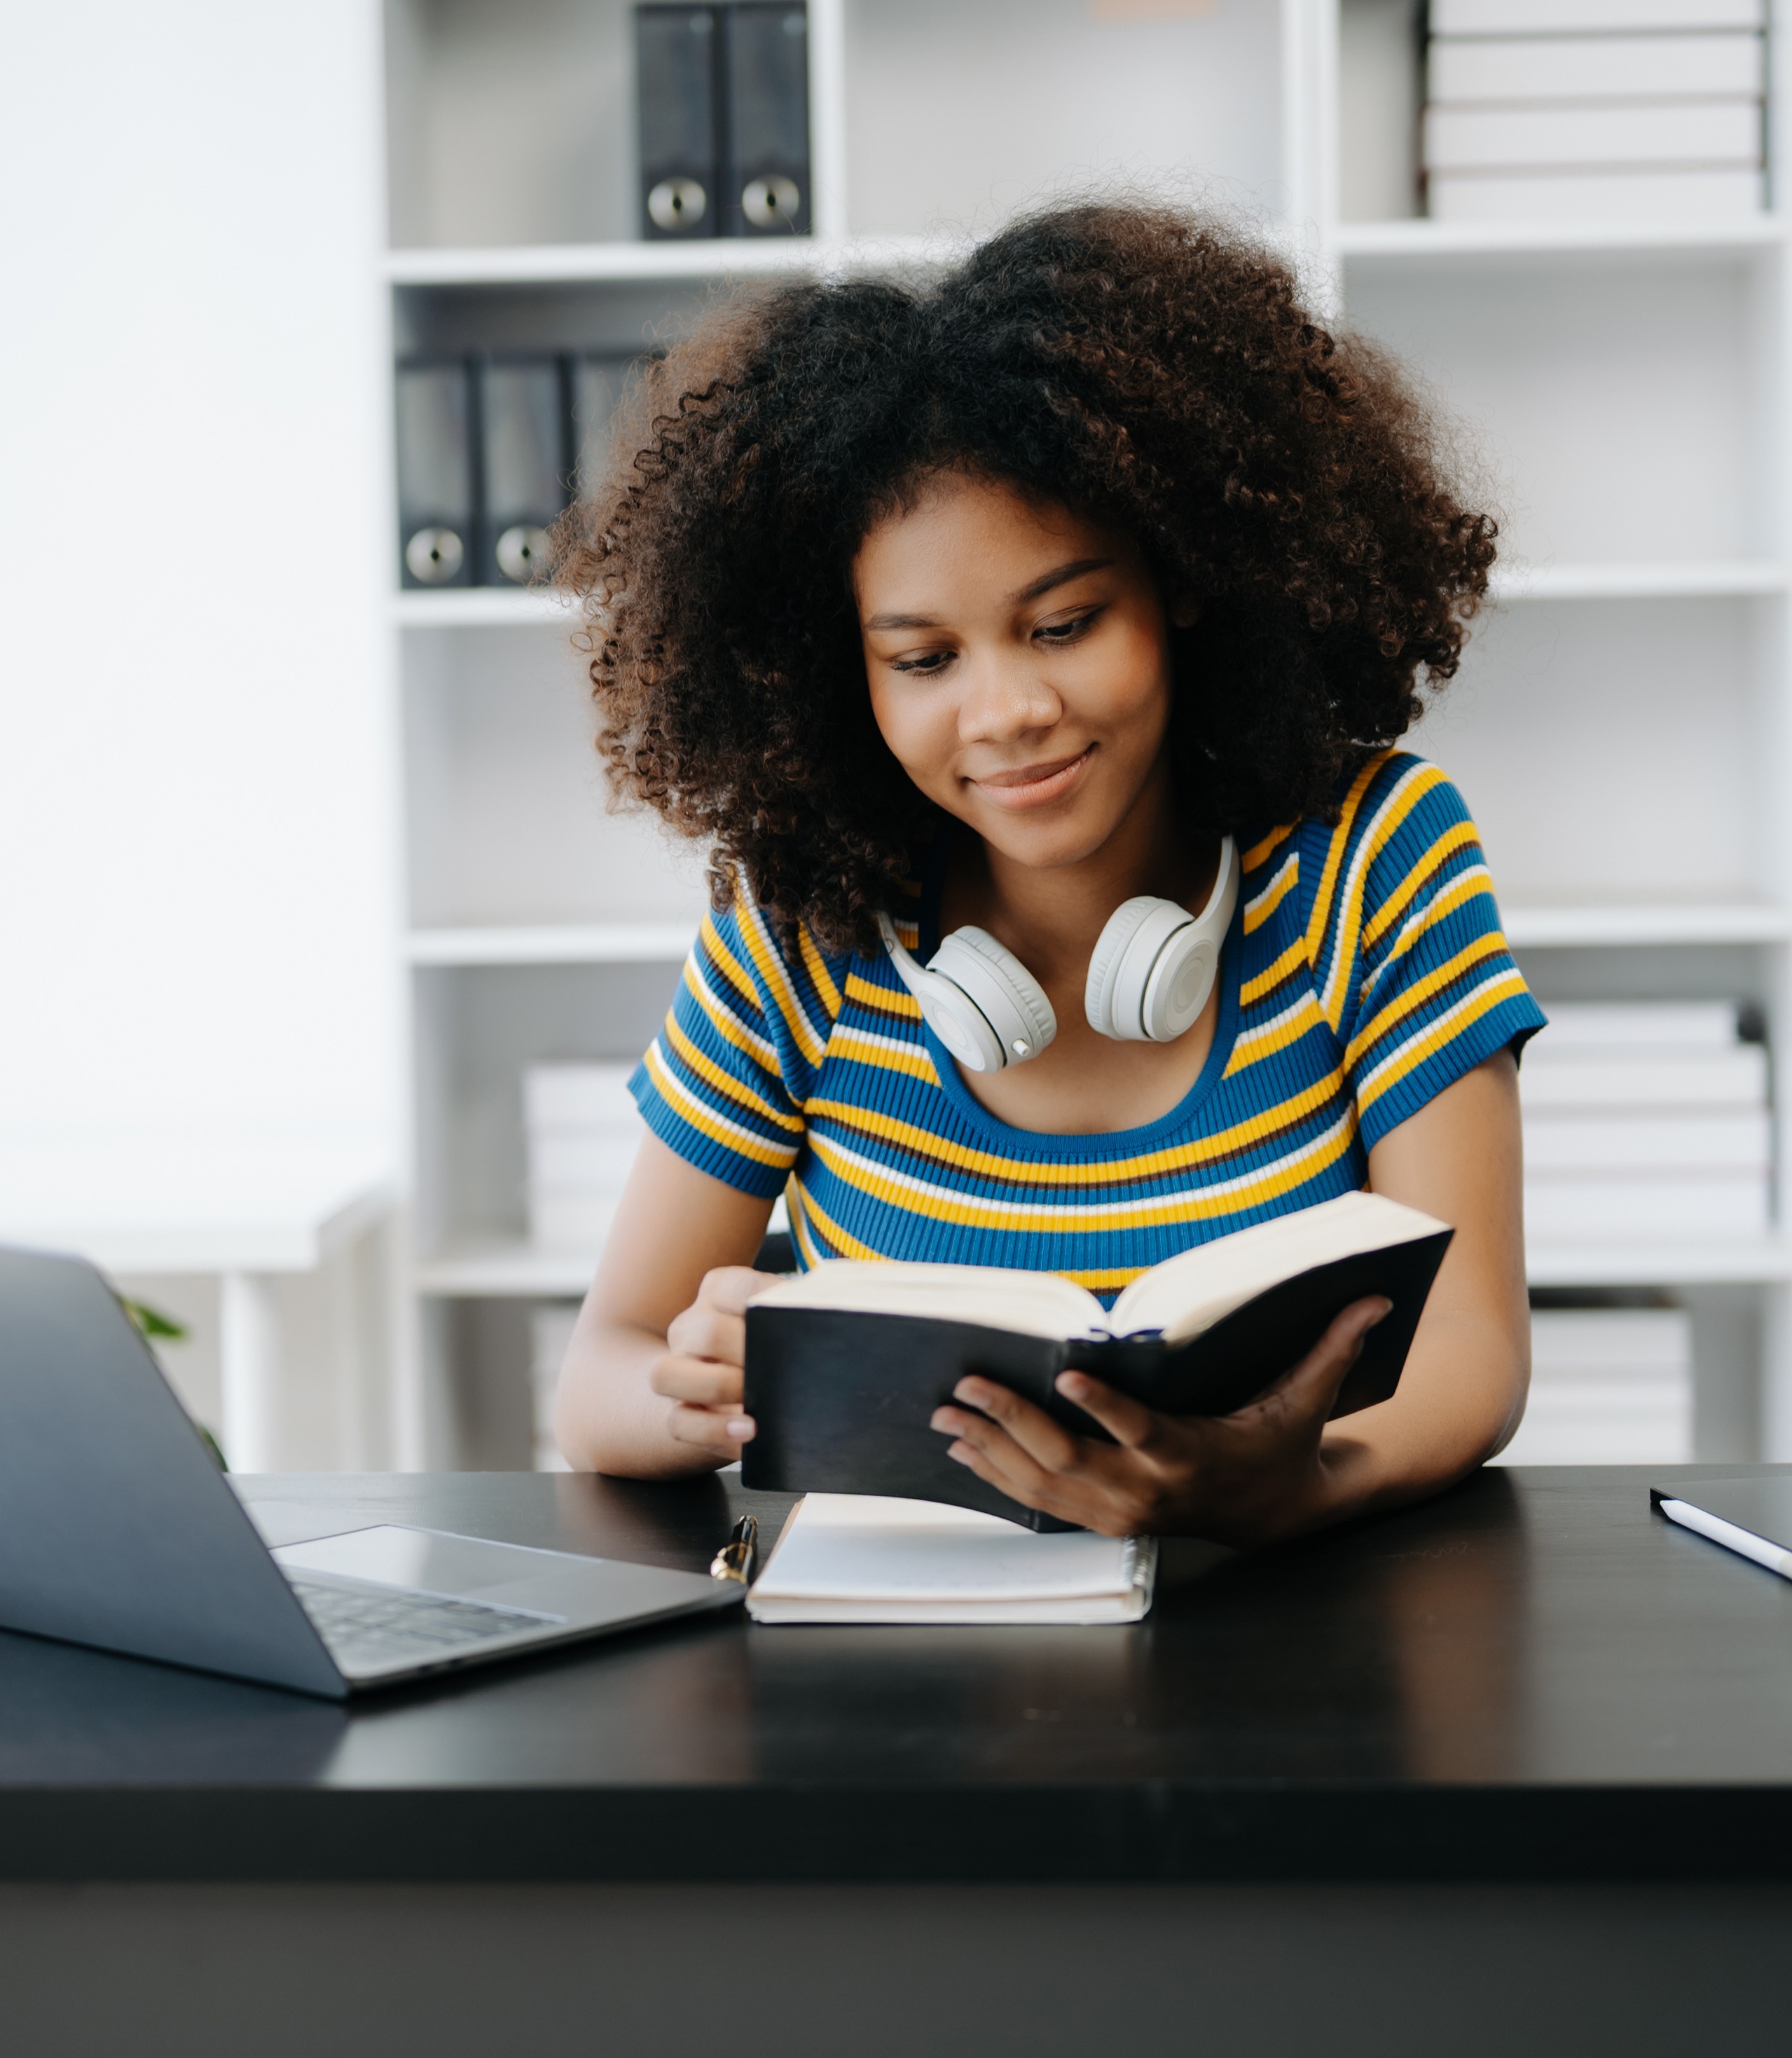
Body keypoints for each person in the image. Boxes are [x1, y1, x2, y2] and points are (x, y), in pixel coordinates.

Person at [545, 203, 1542, 1544]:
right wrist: (699, 1391)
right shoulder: (803, 931)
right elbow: (598, 1374)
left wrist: (1282, 1485)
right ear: (838, 674)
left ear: (1184, 581)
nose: (1006, 710)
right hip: (908, 1680)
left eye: (1063, 623)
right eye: (923, 658)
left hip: (1289, 1649)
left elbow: (1472, 1356)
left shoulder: (1372, 857)